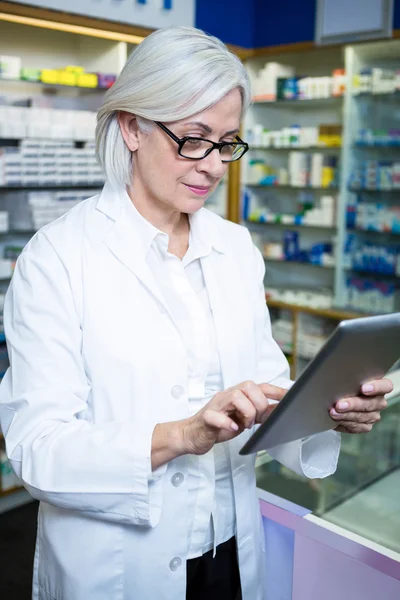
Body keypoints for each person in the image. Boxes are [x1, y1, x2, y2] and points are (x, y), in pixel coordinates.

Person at [0, 26, 392, 600]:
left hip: (230, 549)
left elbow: (267, 392)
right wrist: (182, 434)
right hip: (121, 566)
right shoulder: (59, 257)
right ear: (132, 127)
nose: (211, 165)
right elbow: (38, 449)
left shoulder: (235, 248)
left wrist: (323, 410)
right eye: (193, 138)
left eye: (227, 141)